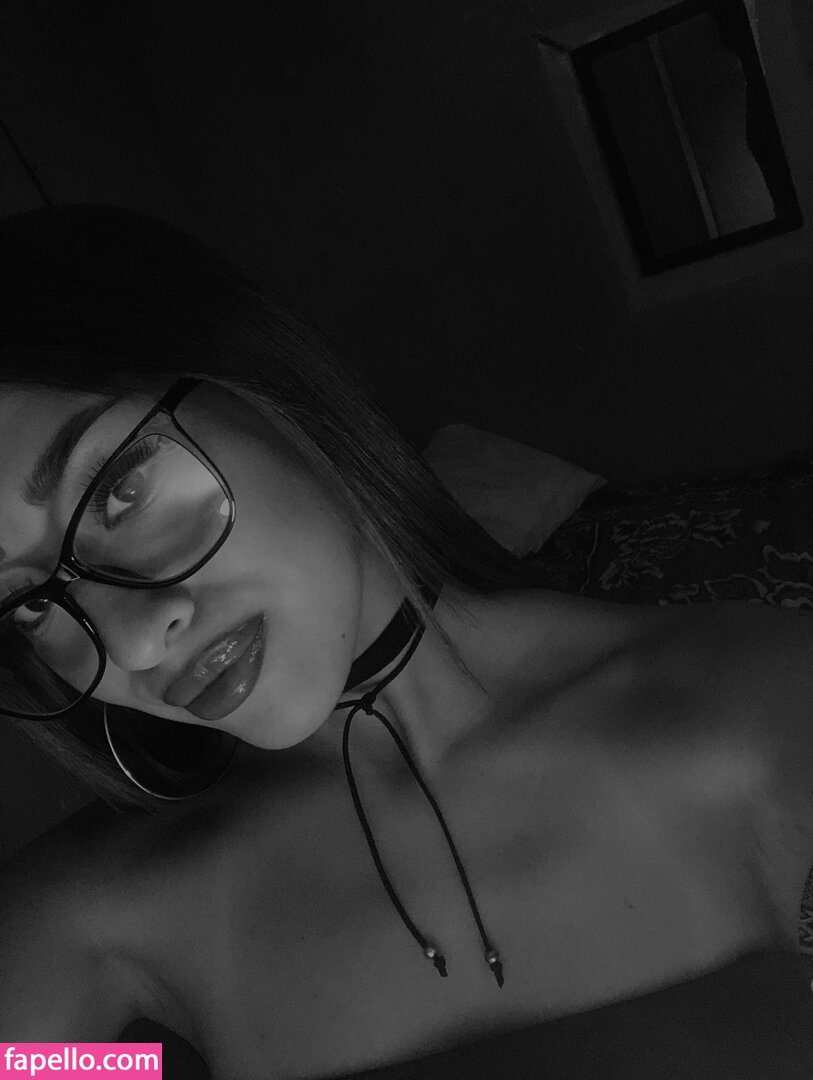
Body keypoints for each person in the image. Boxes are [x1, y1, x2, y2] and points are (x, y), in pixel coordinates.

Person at [0, 203, 811, 1080]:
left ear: (259, 385)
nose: (132, 640)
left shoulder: (766, 704)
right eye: (27, 604)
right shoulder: (87, 920)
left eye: (119, 492)